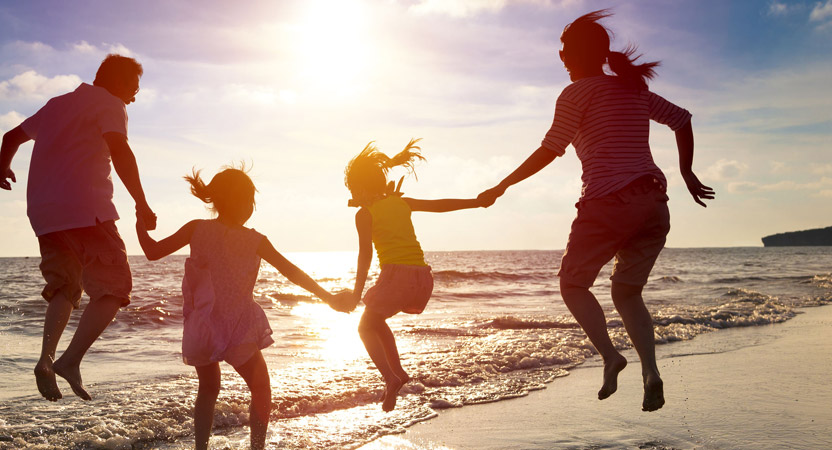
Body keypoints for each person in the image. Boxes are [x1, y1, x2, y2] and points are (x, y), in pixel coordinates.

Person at [477, 10, 715, 412]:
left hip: (609, 202)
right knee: (627, 292)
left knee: (572, 284)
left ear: (578, 55)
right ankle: (650, 372)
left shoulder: (576, 93)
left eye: (565, 50)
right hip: (655, 204)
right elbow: (682, 120)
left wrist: (503, 184)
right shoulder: (631, 89)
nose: (561, 56)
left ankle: (610, 356)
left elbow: (550, 149)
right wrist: (687, 172)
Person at [135, 165, 352, 450]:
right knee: (261, 387)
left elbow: (151, 252)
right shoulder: (255, 240)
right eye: (250, 200)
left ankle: (201, 448)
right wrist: (329, 297)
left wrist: (140, 224)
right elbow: (292, 272)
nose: (252, 207)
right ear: (240, 202)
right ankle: (256, 448)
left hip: (202, 327)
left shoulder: (196, 228)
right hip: (237, 326)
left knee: (209, 389)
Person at [0, 54, 157, 402]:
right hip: (88, 210)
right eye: (133, 87)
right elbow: (121, 150)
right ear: (116, 81)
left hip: (45, 215)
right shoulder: (110, 103)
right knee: (115, 288)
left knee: (66, 286)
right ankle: (70, 361)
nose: (134, 96)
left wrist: (3, 169)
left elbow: (11, 137)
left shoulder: (56, 105)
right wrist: (142, 203)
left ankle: (46, 358)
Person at [344, 139, 488, 412]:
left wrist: (355, 293)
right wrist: (476, 202)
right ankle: (397, 373)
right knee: (376, 321)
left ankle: (391, 377)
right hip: (422, 278)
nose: (352, 194)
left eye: (353, 189)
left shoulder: (365, 214)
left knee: (365, 327)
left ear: (361, 188)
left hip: (396, 276)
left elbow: (365, 256)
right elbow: (440, 205)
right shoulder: (402, 203)